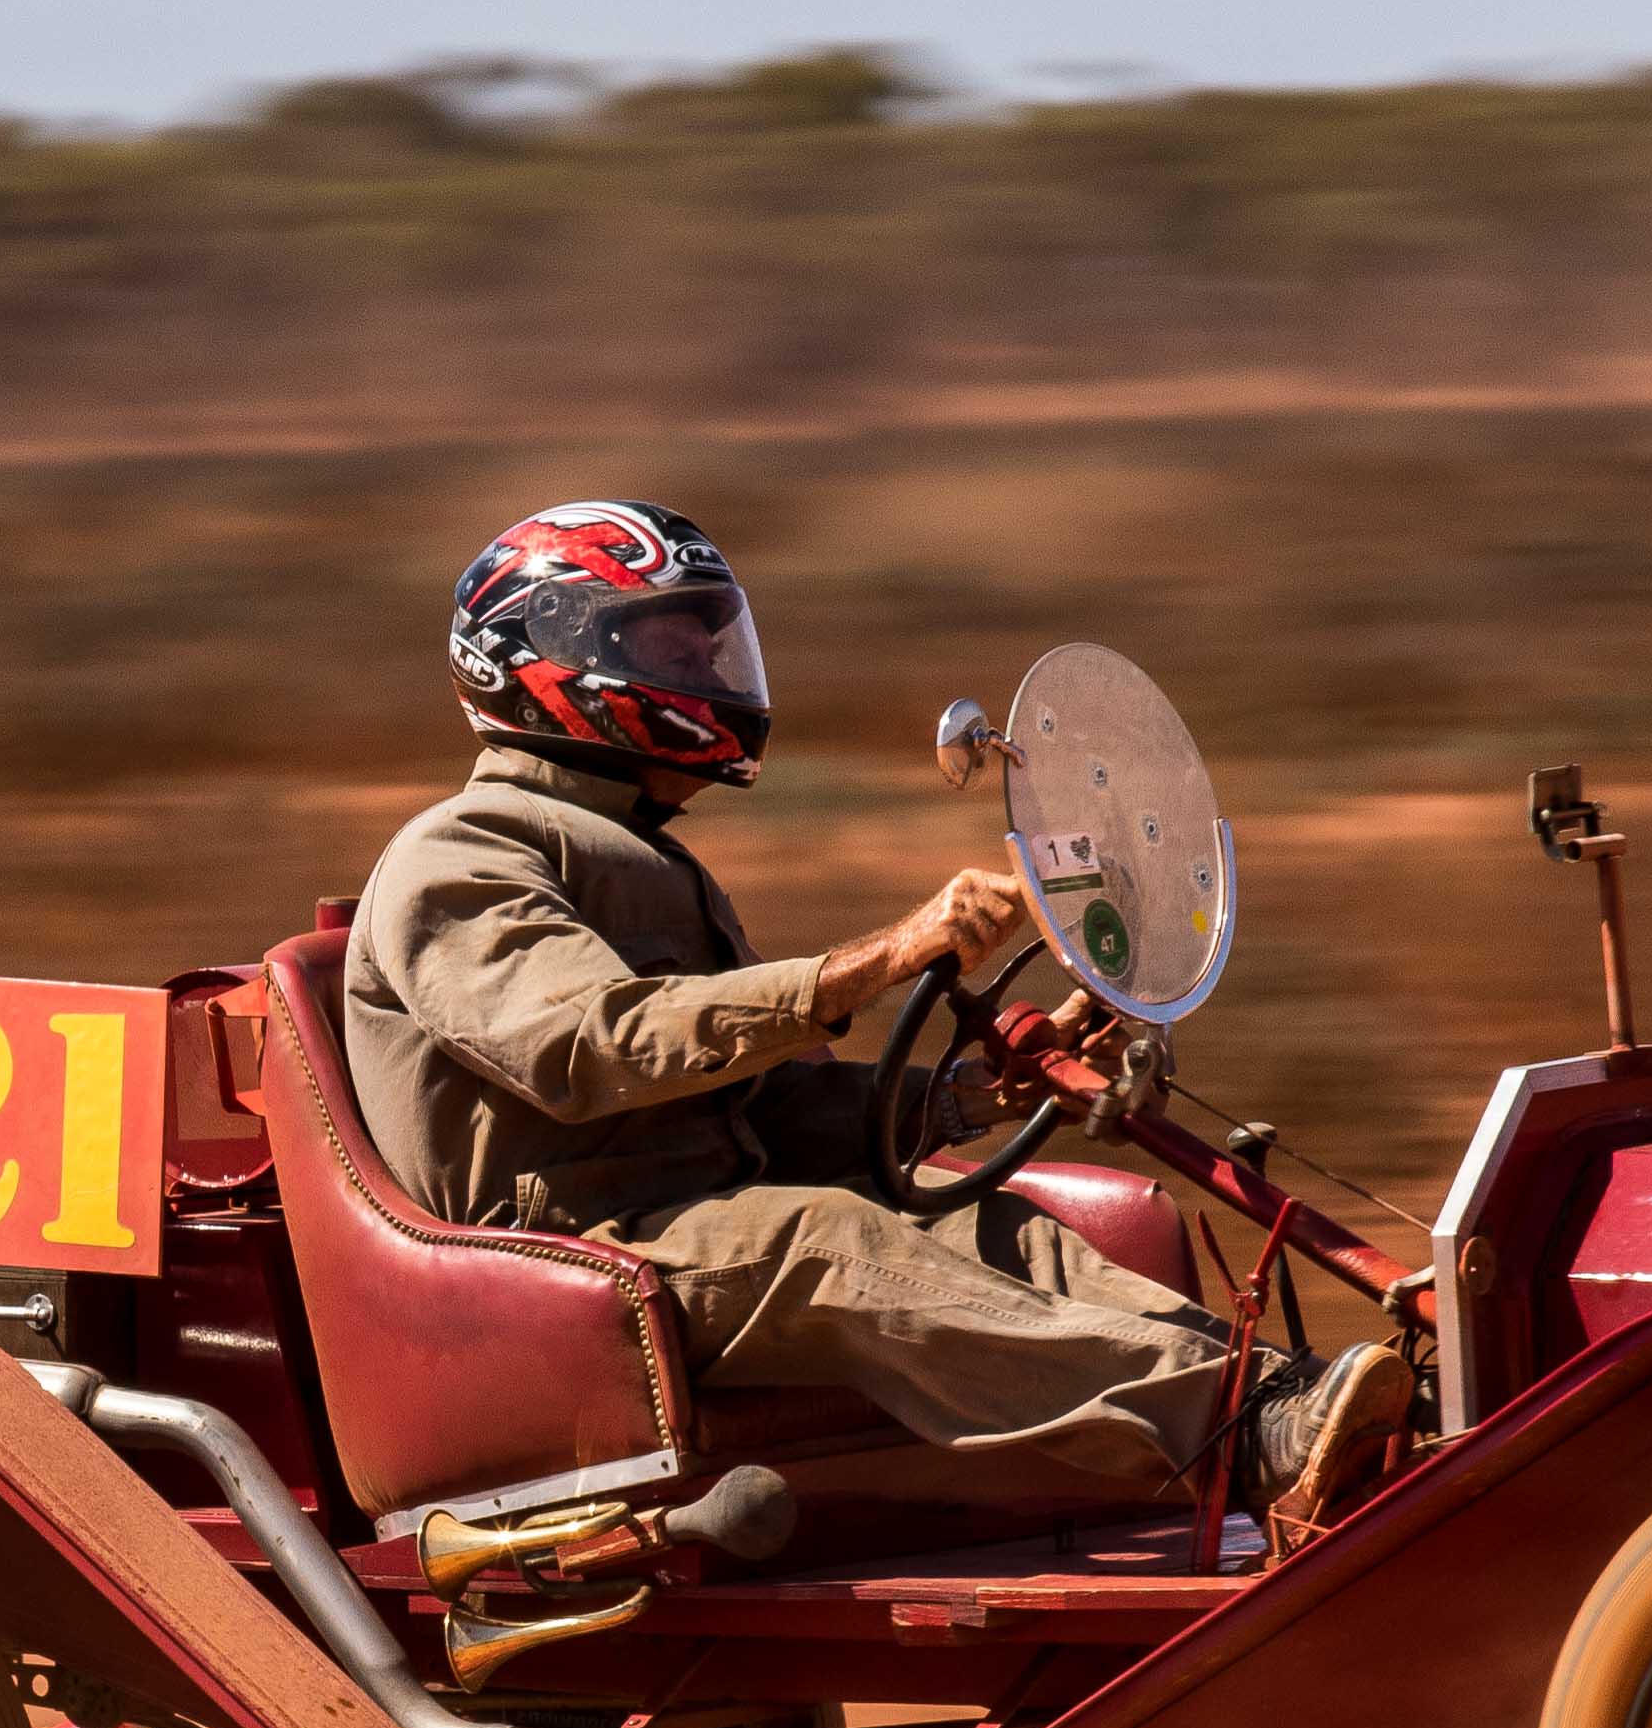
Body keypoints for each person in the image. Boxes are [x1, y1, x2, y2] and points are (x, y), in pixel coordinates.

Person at [344, 498, 1407, 1545]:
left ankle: (1293, 1399)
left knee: (981, 1216)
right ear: (542, 661)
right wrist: (882, 957)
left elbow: (755, 1108)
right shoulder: (463, 854)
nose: (707, 674)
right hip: (570, 1255)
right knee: (830, 1238)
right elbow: (589, 1047)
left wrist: (963, 1097)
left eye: (710, 646)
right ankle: (1246, 1432)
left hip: (694, 1218)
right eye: (667, 645)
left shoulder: (639, 853)